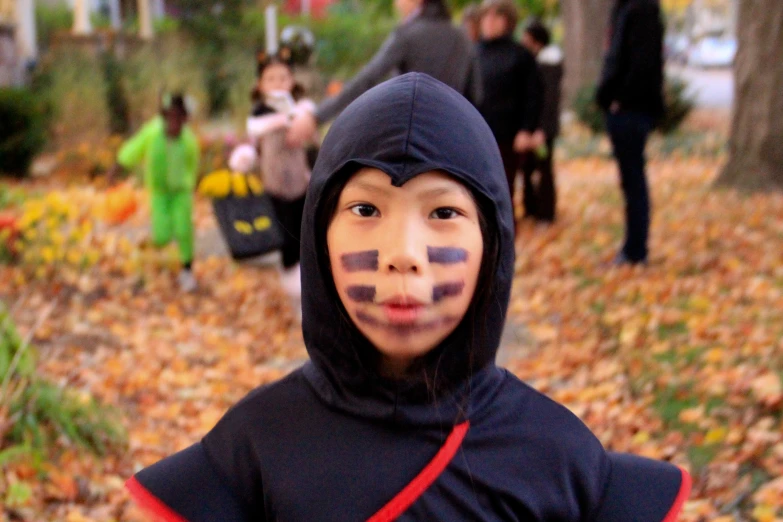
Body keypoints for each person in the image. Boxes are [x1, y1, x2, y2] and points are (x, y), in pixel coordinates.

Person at [125, 73, 690, 521]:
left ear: (493, 244)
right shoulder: (250, 453)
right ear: (319, 234)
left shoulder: (561, 461)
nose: (403, 252)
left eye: (444, 212)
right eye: (365, 209)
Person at [285, 0, 483, 147]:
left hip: (411, 141)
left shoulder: (408, 34)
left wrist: (317, 116)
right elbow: (476, 95)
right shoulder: (462, 37)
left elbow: (368, 78)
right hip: (453, 141)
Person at [239, 48, 317, 316]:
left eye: (283, 78)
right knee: (286, 239)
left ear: (292, 80)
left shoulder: (301, 112)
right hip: (274, 186)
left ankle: (307, 288)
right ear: (261, 85)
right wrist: (244, 159)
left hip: (301, 182)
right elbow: (252, 146)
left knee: (305, 235)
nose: (278, 84)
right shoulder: (260, 117)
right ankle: (294, 292)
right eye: (271, 79)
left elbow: (313, 140)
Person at [597, 0, 665, 265]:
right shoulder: (628, 9)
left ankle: (636, 250)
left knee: (634, 181)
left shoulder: (641, 10)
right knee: (630, 181)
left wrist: (620, 99)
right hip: (625, 107)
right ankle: (633, 247)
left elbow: (642, 63)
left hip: (631, 109)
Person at [110, 93, 200, 292]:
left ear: (185, 120)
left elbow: (193, 164)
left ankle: (187, 271)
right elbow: (133, 149)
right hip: (159, 192)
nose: (174, 125)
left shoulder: (188, 141)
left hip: (181, 192)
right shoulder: (152, 133)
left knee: (184, 229)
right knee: (161, 235)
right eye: (170, 118)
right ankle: (154, 257)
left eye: (180, 119)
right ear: (163, 117)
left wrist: (192, 183)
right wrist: (117, 166)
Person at [475, 0, 542, 231]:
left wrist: (526, 129)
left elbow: (533, 96)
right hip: (476, 132)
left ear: (508, 21)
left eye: (496, 17)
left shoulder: (521, 55)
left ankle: (505, 240)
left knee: (503, 190)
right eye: (486, 16)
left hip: (507, 134)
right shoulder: (473, 52)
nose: (490, 22)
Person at [520, 20, 563, 224]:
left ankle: (545, 212)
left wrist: (542, 129)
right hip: (534, 125)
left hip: (542, 128)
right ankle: (533, 208)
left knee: (543, 168)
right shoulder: (536, 62)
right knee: (529, 168)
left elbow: (549, 99)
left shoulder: (548, 64)